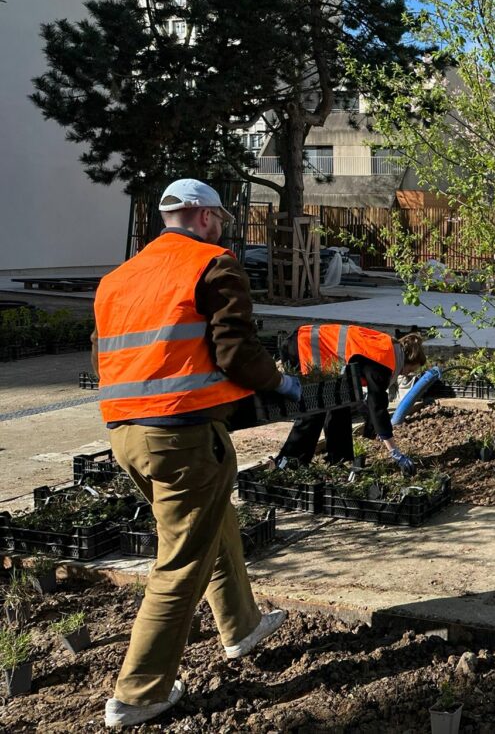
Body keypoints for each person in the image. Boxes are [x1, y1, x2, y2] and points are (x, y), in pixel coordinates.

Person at [92, 179, 292, 729]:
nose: (222, 227)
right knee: (179, 562)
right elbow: (236, 351)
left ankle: (242, 625)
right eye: (220, 218)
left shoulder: (118, 279)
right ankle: (138, 693)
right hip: (181, 434)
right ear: (202, 218)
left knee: (211, 519)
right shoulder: (214, 265)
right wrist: (279, 382)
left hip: (126, 434)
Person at [276, 325, 426, 469]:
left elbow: (365, 402)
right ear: (408, 360)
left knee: (340, 403)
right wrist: (395, 453)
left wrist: (372, 425)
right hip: (301, 348)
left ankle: (340, 460)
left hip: (306, 343)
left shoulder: (388, 349)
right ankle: (290, 463)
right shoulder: (383, 363)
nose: (406, 374)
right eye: (410, 370)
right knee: (315, 410)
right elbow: (377, 407)